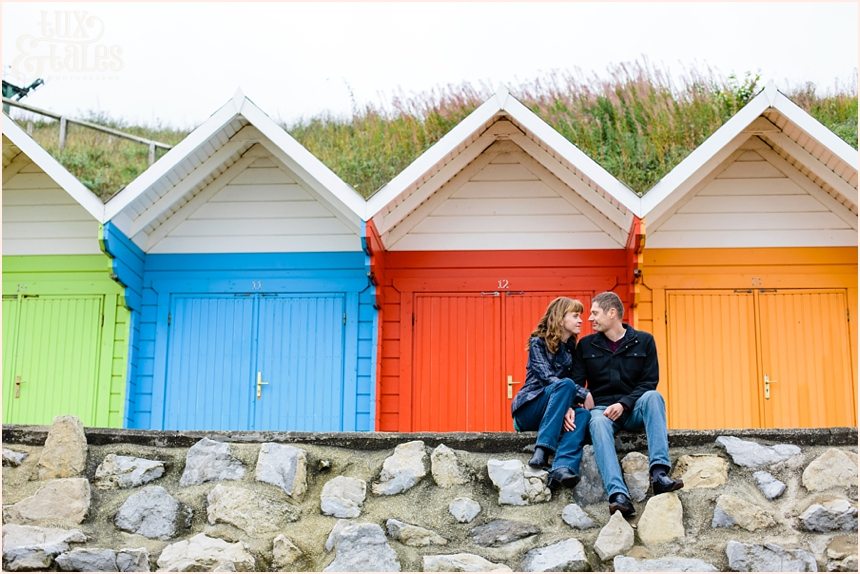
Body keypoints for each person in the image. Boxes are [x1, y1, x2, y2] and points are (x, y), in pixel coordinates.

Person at [572, 291, 683, 518]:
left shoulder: (644, 341)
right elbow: (576, 382)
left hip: (633, 408)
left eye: (595, 313)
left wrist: (624, 403)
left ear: (612, 313)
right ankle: (618, 495)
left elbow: (649, 381)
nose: (590, 318)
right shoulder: (585, 346)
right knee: (598, 422)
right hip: (602, 409)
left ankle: (659, 474)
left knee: (654, 397)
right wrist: (583, 395)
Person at [512, 297, 594, 490]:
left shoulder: (571, 348)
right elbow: (548, 378)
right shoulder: (537, 343)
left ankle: (562, 467)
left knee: (583, 414)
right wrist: (583, 394)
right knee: (566, 384)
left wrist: (570, 407)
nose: (580, 320)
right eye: (575, 316)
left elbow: (569, 386)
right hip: (529, 410)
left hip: (554, 411)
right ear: (560, 318)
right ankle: (542, 450)